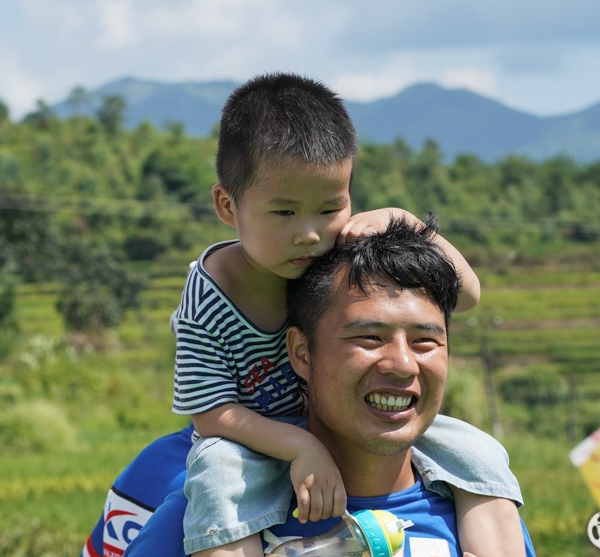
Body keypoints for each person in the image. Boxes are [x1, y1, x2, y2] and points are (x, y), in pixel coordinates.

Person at [82, 72, 523, 557]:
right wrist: (299, 446)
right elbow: (209, 415)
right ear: (227, 205)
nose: (311, 235)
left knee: (476, 448)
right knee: (220, 475)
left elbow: (468, 293)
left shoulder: (340, 264)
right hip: (246, 438)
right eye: (285, 213)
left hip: (338, 428)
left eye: (329, 208)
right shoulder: (211, 294)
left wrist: (406, 222)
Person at [126, 218, 534, 556]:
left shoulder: (486, 509)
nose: (402, 364)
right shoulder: (212, 514)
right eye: (369, 338)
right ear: (302, 352)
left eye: (425, 342)